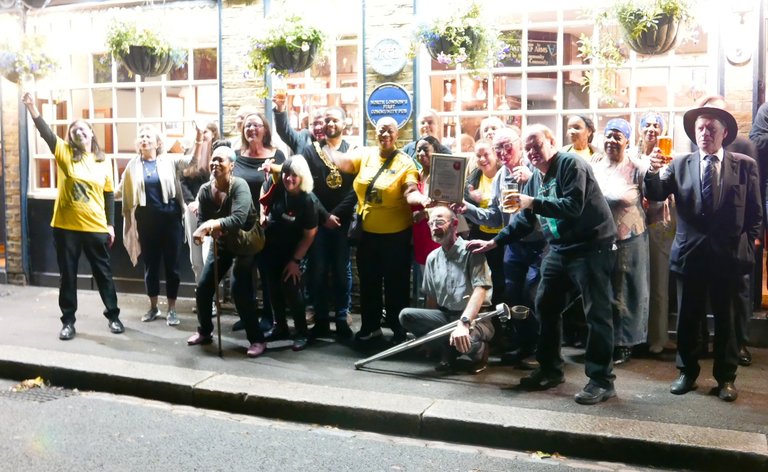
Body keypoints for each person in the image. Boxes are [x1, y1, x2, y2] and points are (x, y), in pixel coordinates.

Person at [468, 124, 618, 405]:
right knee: (545, 304)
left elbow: (572, 206)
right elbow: (524, 220)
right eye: (527, 148)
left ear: (552, 142)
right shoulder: (536, 176)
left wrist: (531, 202)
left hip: (591, 247)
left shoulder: (571, 164)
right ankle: (550, 369)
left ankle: (601, 380)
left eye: (536, 145)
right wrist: (495, 242)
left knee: (597, 314)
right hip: (561, 249)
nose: (532, 152)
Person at [645, 107, 762, 402]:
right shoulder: (680, 164)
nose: (705, 134)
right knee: (688, 318)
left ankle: (726, 378)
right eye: (700, 129)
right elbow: (657, 192)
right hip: (690, 255)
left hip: (730, 257)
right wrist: (651, 169)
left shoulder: (744, 165)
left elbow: (755, 213)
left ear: (724, 134)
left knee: (728, 320)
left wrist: (748, 244)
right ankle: (687, 373)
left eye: (711, 129)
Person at [22, 92, 124, 340]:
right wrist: (33, 108)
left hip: (95, 227)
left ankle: (113, 316)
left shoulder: (103, 161)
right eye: (74, 130)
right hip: (66, 227)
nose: (79, 132)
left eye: (83, 129)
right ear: (71, 137)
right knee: (67, 275)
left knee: (103, 274)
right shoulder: (65, 152)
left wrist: (110, 225)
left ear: (91, 134)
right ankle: (68, 322)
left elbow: (109, 194)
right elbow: (46, 134)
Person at [329, 116, 427, 345]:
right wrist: (327, 142)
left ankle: (399, 330)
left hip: (396, 237)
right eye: (381, 130)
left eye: (390, 131)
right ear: (375, 132)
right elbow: (342, 163)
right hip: (368, 236)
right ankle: (370, 327)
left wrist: (421, 198)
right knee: (369, 283)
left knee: (397, 285)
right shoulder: (366, 155)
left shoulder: (406, 163)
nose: (385, 135)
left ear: (397, 134)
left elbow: (410, 190)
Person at [458, 128, 543, 367]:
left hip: (539, 243)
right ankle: (522, 344)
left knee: (534, 293)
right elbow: (495, 217)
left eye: (508, 147)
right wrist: (468, 209)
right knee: (512, 294)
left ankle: (540, 348)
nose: (504, 153)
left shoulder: (534, 170)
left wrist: (531, 181)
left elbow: (547, 206)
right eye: (499, 149)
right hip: (513, 245)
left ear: (519, 145)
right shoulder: (499, 177)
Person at [273, 100, 356, 339]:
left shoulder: (353, 151)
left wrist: (336, 215)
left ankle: (341, 319)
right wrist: (325, 215)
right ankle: (320, 320)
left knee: (342, 271)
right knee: (317, 272)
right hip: (317, 222)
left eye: (335, 119)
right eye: (327, 120)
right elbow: (308, 188)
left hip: (341, 224)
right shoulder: (311, 150)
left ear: (345, 123)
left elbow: (355, 189)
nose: (330, 123)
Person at [187, 144, 267, 358]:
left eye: (220, 160)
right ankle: (204, 331)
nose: (215, 163)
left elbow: (239, 219)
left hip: (244, 243)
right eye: (213, 159)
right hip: (221, 244)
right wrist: (208, 229)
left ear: (231, 165)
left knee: (240, 291)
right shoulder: (205, 190)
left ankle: (257, 339)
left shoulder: (239, 186)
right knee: (204, 288)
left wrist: (211, 226)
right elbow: (203, 219)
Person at [399, 206, 494, 374]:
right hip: (446, 316)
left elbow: (481, 291)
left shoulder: (472, 252)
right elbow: (432, 298)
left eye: (440, 222)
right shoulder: (432, 258)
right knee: (406, 316)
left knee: (467, 339)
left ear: (454, 224)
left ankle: (480, 352)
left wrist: (464, 323)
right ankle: (446, 347)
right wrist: (428, 337)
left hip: (476, 319)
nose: (435, 227)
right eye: (432, 223)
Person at [119, 124, 194, 326]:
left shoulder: (169, 161)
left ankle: (172, 309)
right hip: (146, 221)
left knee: (172, 267)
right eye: (141, 136)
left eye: (148, 136)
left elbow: (192, 162)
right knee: (151, 266)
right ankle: (153, 307)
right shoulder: (133, 166)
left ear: (158, 142)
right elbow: (120, 189)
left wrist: (198, 138)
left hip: (170, 220)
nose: (144, 139)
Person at [590, 119, 649, 365]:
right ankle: (608, 339)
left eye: (618, 137)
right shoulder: (594, 163)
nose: (612, 141)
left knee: (627, 291)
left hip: (629, 236)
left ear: (627, 141)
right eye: (609, 136)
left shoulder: (637, 167)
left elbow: (652, 201)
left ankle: (625, 343)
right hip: (600, 236)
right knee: (605, 292)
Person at [260, 156, 319, 351]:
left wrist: (295, 261)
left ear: (302, 177)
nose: (289, 178)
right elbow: (264, 199)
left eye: (294, 174)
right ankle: (281, 327)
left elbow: (309, 235)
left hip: (293, 253)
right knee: (273, 290)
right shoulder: (277, 189)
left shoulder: (307, 200)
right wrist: (263, 217)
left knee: (293, 292)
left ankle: (302, 332)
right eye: (286, 173)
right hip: (272, 250)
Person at [234, 112, 286, 333]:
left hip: (268, 224)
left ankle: (268, 316)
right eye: (247, 125)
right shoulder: (236, 155)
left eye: (256, 125)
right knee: (245, 273)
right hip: (243, 223)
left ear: (265, 129)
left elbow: (284, 186)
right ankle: (248, 314)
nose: (252, 129)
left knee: (267, 273)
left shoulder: (277, 155)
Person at [634, 112, 675, 356]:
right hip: (635, 224)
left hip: (660, 224)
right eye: (647, 125)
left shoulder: (669, 157)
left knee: (660, 282)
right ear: (640, 130)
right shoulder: (632, 156)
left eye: (656, 125)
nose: (652, 129)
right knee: (636, 282)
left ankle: (659, 336)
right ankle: (635, 335)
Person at [463, 139, 504, 306]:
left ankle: (501, 319)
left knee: (501, 280)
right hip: (480, 234)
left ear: (495, 154)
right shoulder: (473, 178)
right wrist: (470, 198)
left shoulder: (505, 174)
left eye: (486, 154)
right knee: (480, 279)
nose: (482, 159)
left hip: (502, 237)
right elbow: (464, 205)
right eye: (478, 155)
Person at [181, 121, 219, 286]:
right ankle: (201, 293)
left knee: (209, 254)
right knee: (195, 257)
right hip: (192, 211)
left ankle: (211, 296)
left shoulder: (217, 155)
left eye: (205, 132)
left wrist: (201, 202)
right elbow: (182, 181)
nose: (202, 135)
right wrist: (190, 202)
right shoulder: (191, 155)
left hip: (211, 210)